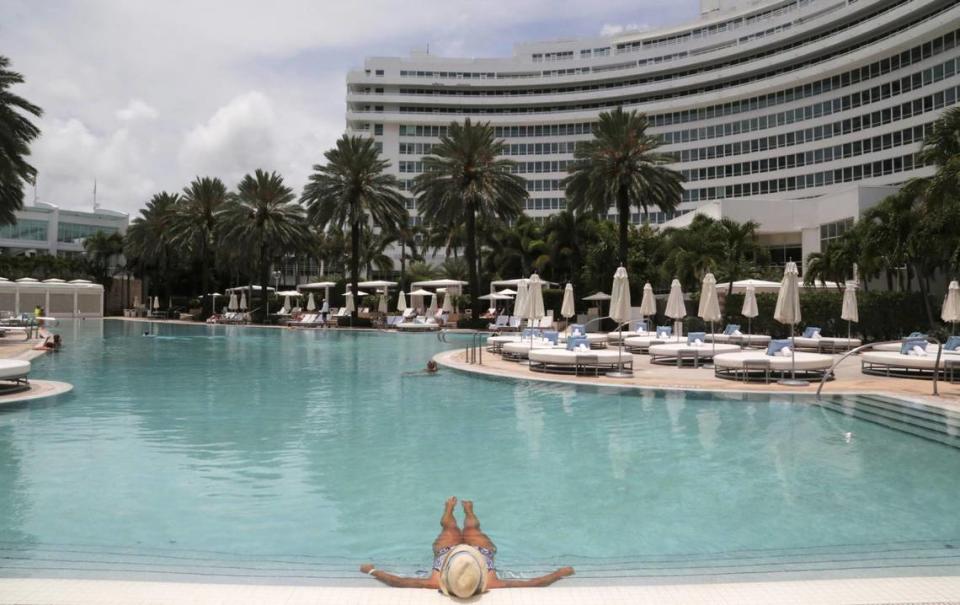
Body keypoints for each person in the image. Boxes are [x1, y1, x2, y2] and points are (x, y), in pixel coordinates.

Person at [360, 498, 574, 597]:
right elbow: (534, 584)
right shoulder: (492, 582)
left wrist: (371, 570)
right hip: (481, 556)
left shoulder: (435, 581)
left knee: (448, 525)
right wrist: (559, 573)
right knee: (473, 526)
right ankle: (469, 510)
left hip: (447, 555)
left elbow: (399, 582)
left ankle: (449, 508)